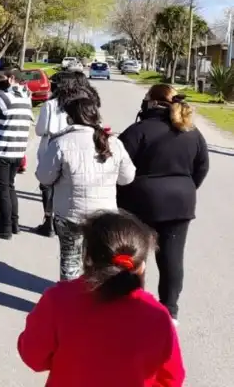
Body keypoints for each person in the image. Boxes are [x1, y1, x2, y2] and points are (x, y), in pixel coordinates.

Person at [18, 211, 185, 387]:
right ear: (141, 267)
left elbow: (33, 356)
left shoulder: (58, 300)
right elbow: (172, 379)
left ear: (87, 258)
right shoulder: (158, 316)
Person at [117, 84, 209, 323]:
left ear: (152, 101)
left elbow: (118, 167)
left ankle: (132, 301)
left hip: (139, 203)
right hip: (180, 203)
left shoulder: (137, 131)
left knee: (134, 256)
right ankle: (170, 311)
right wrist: (186, 188)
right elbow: (202, 167)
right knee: (172, 258)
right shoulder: (192, 131)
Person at [36, 97, 136, 281]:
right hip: (105, 215)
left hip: (69, 215)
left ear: (70, 118)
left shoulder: (61, 142)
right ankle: (97, 301)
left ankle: (71, 302)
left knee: (70, 262)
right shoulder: (113, 142)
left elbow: (44, 177)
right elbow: (127, 178)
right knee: (101, 262)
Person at [33, 71, 95, 236]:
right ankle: (63, 220)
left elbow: (40, 130)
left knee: (47, 185)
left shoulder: (51, 104)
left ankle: (48, 221)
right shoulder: (82, 104)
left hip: (51, 146)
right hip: (76, 147)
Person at [0, 70, 33, 239]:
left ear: (11, 79)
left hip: (0, 150)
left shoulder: (4, 97)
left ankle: (4, 227)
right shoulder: (26, 98)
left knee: (1, 190)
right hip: (17, 151)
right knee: (10, 186)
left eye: (3, 79)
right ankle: (14, 223)